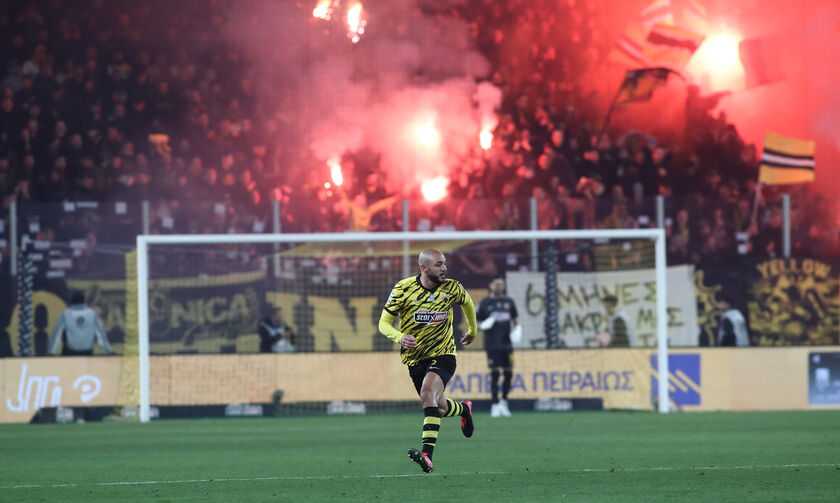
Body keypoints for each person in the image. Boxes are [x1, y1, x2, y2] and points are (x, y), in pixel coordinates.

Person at [378, 248, 477, 473]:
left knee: (426, 394)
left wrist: (472, 330)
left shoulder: (452, 288)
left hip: (444, 353)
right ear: (423, 268)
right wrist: (400, 337)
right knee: (438, 407)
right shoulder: (403, 289)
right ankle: (463, 409)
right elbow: (383, 323)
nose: (444, 269)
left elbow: (468, 304)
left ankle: (427, 456)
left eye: (444, 264)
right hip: (415, 359)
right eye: (438, 265)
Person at [477, 277, 519, 418]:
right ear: (491, 285)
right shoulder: (485, 303)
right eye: (497, 284)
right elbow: (476, 322)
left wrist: (517, 330)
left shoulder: (509, 302)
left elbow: (516, 319)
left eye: (501, 284)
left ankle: (504, 402)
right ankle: (494, 404)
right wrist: (482, 325)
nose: (499, 286)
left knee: (508, 373)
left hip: (507, 344)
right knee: (495, 374)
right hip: (492, 344)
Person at [48, 291, 113, 356]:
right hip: (87, 352)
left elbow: (56, 334)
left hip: (70, 353)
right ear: (84, 302)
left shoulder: (65, 314)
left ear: (72, 302)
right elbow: (101, 334)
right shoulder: (92, 314)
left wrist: (51, 352)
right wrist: (107, 351)